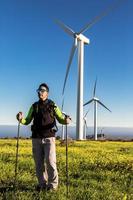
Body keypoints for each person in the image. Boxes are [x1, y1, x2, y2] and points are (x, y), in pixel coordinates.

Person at [16, 83, 71, 191]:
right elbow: (27, 120)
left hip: (49, 138)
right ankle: (42, 185)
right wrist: (20, 119)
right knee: (39, 164)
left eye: (42, 90)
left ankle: (52, 186)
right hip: (36, 138)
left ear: (47, 93)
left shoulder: (52, 105)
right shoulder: (34, 106)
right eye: (39, 90)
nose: (40, 92)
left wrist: (66, 121)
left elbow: (60, 118)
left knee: (51, 162)